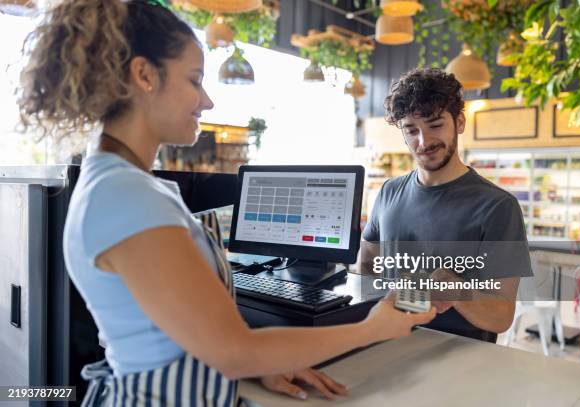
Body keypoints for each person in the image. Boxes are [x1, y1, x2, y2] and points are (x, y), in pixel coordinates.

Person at [17, 1, 436, 405]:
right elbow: (232, 350)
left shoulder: (121, 184)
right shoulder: (127, 197)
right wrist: (373, 327)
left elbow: (177, 334)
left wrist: (261, 363)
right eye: (194, 80)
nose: (207, 101)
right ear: (144, 75)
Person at [360, 68, 532, 343]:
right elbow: (366, 266)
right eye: (411, 130)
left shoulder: (498, 206)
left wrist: (455, 290)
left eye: (435, 125)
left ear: (459, 122)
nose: (424, 141)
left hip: (458, 360)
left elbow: (501, 316)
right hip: (386, 345)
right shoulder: (388, 192)